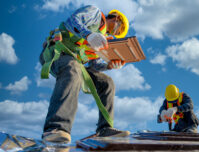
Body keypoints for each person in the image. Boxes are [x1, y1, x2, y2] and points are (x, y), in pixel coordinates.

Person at [39, 5, 130, 143]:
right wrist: (88, 35)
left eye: (119, 34)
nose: (116, 34)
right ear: (116, 18)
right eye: (120, 29)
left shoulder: (102, 39)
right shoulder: (95, 14)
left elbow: (94, 64)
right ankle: (56, 128)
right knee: (72, 68)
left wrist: (109, 65)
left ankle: (105, 129)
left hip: (76, 62)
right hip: (57, 52)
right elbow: (72, 21)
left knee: (107, 83)